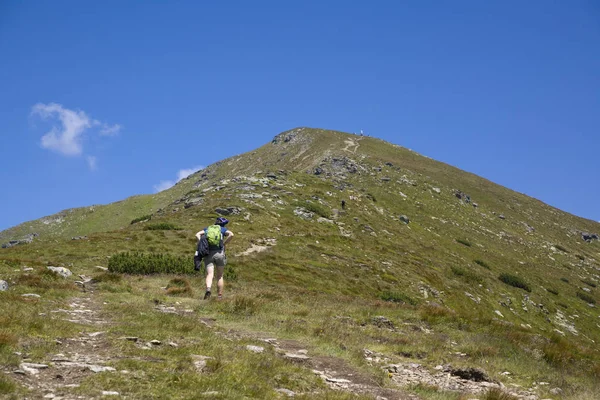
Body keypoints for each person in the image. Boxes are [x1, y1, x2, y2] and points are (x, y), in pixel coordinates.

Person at [195, 217, 234, 300]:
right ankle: (219, 296)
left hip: (208, 254)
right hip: (220, 254)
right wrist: (224, 243)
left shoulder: (208, 229)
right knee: (219, 276)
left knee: (210, 274)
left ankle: (208, 289)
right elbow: (232, 234)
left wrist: (201, 243)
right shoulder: (223, 229)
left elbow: (197, 234)